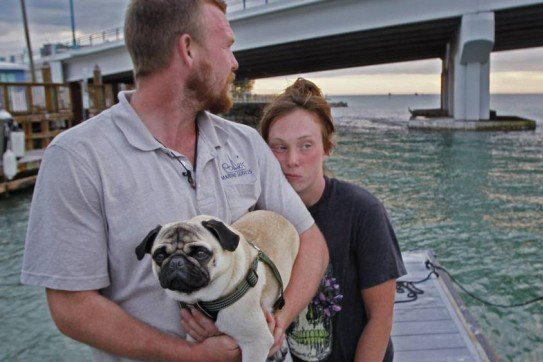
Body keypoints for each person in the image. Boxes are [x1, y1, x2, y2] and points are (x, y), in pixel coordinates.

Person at [20, 1, 328, 361]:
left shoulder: (245, 144)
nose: (235, 62)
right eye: (227, 45)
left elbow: (310, 242)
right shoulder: (77, 158)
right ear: (188, 49)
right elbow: (72, 307)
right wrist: (190, 355)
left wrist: (274, 321)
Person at [259, 78, 407, 362]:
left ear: (326, 147)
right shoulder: (259, 217)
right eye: (279, 147)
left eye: (306, 146)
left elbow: (381, 318)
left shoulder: (363, 212)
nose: (292, 160)